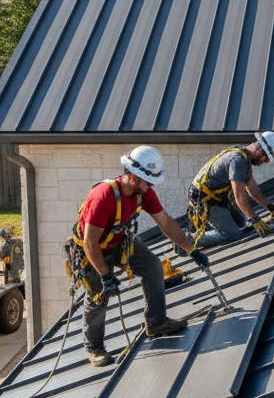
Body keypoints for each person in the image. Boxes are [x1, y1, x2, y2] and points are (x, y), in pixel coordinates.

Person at [64, 145, 209, 368]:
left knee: (152, 266)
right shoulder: (102, 196)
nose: (150, 186)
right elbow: (89, 242)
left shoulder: (144, 194)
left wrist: (190, 249)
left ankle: (156, 322)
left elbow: (166, 222)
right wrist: (105, 276)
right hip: (91, 252)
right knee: (98, 296)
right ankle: (94, 347)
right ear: (133, 176)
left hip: (119, 241)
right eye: (147, 181)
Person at [186, 132, 274, 248]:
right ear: (260, 151)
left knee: (242, 224)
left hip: (216, 197)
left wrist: (270, 207)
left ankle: (209, 224)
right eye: (266, 159)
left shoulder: (243, 156)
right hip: (203, 199)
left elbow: (252, 188)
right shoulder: (237, 160)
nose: (263, 162)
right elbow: (240, 195)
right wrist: (254, 219)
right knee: (232, 233)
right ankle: (185, 241)